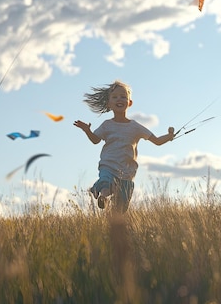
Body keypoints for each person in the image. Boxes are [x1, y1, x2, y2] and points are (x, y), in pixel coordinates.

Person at [73, 81, 174, 213]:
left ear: (129, 102)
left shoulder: (135, 127)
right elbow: (95, 140)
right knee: (106, 183)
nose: (119, 99)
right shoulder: (107, 125)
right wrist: (87, 130)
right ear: (109, 104)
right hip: (108, 166)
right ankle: (103, 196)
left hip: (127, 173)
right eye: (114, 97)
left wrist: (169, 135)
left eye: (123, 96)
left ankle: (113, 221)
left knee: (120, 209)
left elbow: (157, 141)